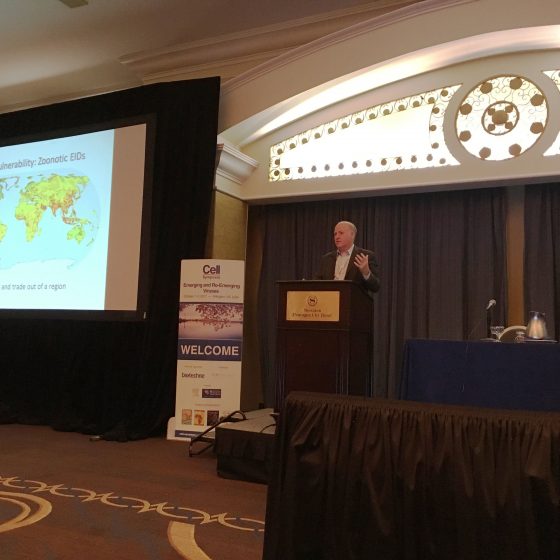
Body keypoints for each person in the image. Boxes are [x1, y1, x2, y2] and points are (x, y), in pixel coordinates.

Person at [315, 220, 379, 294]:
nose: (337, 237)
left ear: (352, 235)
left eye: (341, 233)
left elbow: (375, 287)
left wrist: (366, 273)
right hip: (330, 299)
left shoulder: (365, 256)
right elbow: (316, 283)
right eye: (335, 234)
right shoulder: (326, 259)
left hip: (352, 300)